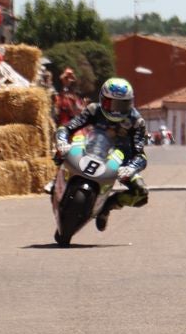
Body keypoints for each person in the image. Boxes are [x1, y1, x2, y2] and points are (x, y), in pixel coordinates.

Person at [53, 77, 150, 231]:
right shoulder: (93, 110)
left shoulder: (136, 122)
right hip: (92, 147)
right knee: (60, 152)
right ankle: (56, 180)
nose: (117, 110)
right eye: (112, 104)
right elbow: (68, 127)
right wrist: (62, 141)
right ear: (102, 100)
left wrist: (131, 168)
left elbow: (140, 155)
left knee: (141, 193)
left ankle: (108, 206)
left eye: (122, 105)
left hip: (120, 160)